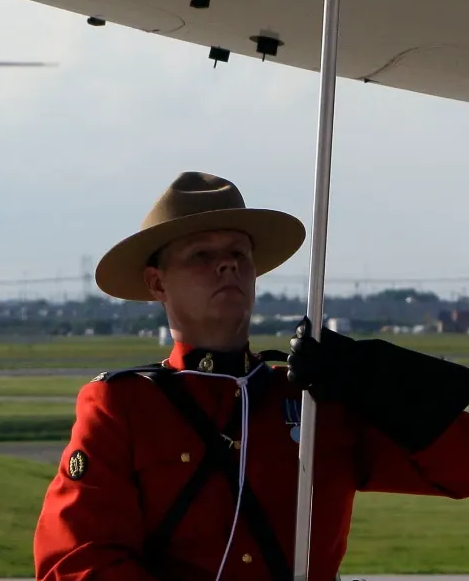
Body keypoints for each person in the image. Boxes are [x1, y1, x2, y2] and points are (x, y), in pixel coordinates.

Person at [36, 172, 469, 580]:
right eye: (201, 255)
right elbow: (77, 560)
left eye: (238, 253)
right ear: (157, 283)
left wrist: (379, 380)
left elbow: (460, 468)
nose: (227, 266)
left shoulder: (317, 401)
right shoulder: (124, 406)